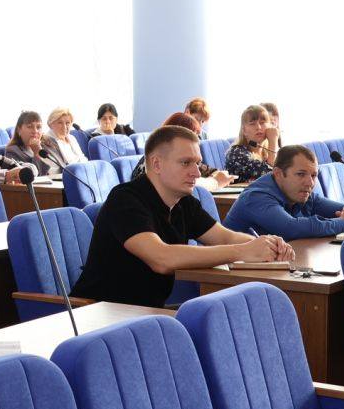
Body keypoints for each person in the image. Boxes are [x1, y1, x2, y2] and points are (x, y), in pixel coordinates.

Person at [72, 126, 291, 307]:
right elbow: (161, 258)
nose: (197, 172)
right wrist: (242, 251)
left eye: (197, 163)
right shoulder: (125, 199)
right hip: (100, 311)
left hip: (144, 311)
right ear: (156, 164)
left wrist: (268, 245)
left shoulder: (183, 201)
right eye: (186, 162)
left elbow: (225, 237)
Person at [223, 145, 344, 240]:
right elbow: (291, 228)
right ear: (278, 174)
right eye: (300, 174)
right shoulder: (256, 197)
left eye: (313, 175)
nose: (310, 183)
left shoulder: (302, 193)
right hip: (232, 272)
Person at [134, 112, 232, 189]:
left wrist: (219, 176)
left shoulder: (186, 158)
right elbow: (176, 181)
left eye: (196, 137)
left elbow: (210, 171)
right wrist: (215, 183)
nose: (195, 142)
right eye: (190, 137)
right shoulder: (155, 160)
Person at [224, 104, 275, 184]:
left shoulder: (267, 152)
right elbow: (272, 176)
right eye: (252, 124)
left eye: (262, 123)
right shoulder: (236, 153)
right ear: (244, 130)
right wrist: (273, 141)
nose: (258, 127)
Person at [0, 110, 59, 176]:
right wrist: (37, 153)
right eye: (30, 127)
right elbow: (34, 177)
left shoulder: (47, 145)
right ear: (19, 130)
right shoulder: (12, 151)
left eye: (38, 127)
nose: (35, 131)